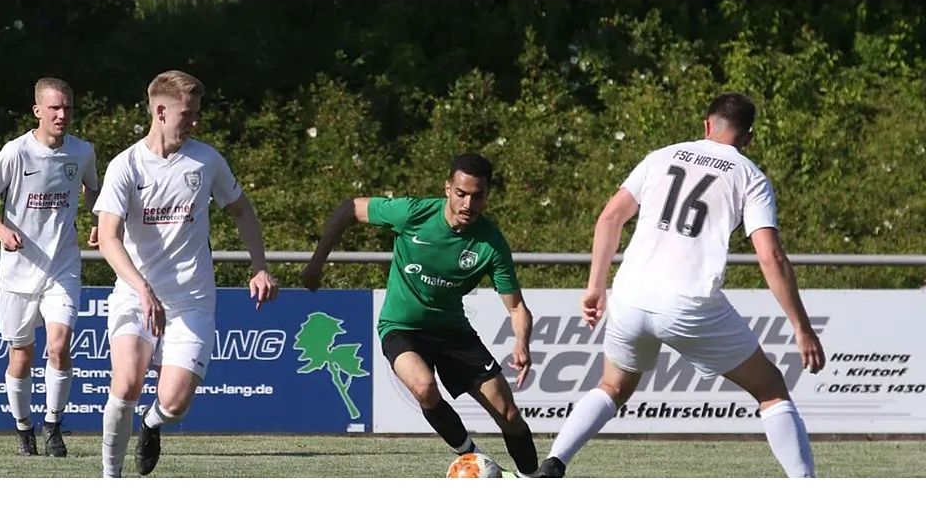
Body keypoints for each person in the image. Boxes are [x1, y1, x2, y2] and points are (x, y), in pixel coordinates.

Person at [537, 93, 826, 478]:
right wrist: (801, 327)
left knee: (612, 386)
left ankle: (553, 464)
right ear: (749, 138)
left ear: (707, 125)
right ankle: (807, 490)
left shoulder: (661, 156)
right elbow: (770, 256)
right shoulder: (749, 175)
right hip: (688, 304)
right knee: (771, 388)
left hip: (630, 295)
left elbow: (609, 218)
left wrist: (595, 287)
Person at [300, 153, 539, 477]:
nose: (468, 203)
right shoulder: (413, 213)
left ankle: (533, 484)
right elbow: (349, 208)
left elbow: (516, 307)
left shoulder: (491, 243)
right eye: (461, 193)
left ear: (487, 195)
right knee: (425, 387)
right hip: (401, 327)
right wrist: (316, 263)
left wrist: (521, 342)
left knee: (509, 414)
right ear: (447, 189)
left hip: (453, 332)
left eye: (477, 196)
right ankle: (474, 459)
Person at [94, 70, 278, 478]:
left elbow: (242, 210)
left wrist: (260, 267)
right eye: (188, 114)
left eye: (197, 114)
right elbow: (108, 237)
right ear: (160, 111)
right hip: (135, 294)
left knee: (174, 405)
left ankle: (151, 424)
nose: (195, 122)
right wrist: (141, 288)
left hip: (191, 300)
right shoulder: (125, 165)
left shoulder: (206, 160)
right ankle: (110, 481)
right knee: (125, 386)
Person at [0, 77, 99, 457]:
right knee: (21, 355)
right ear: (37, 111)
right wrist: (2, 231)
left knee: (59, 345)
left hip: (63, 266)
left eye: (67, 108)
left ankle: (54, 426)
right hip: (20, 270)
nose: (62, 115)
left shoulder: (82, 152)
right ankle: (23, 427)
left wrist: (98, 220)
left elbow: (94, 190)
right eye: (54, 108)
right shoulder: (15, 152)